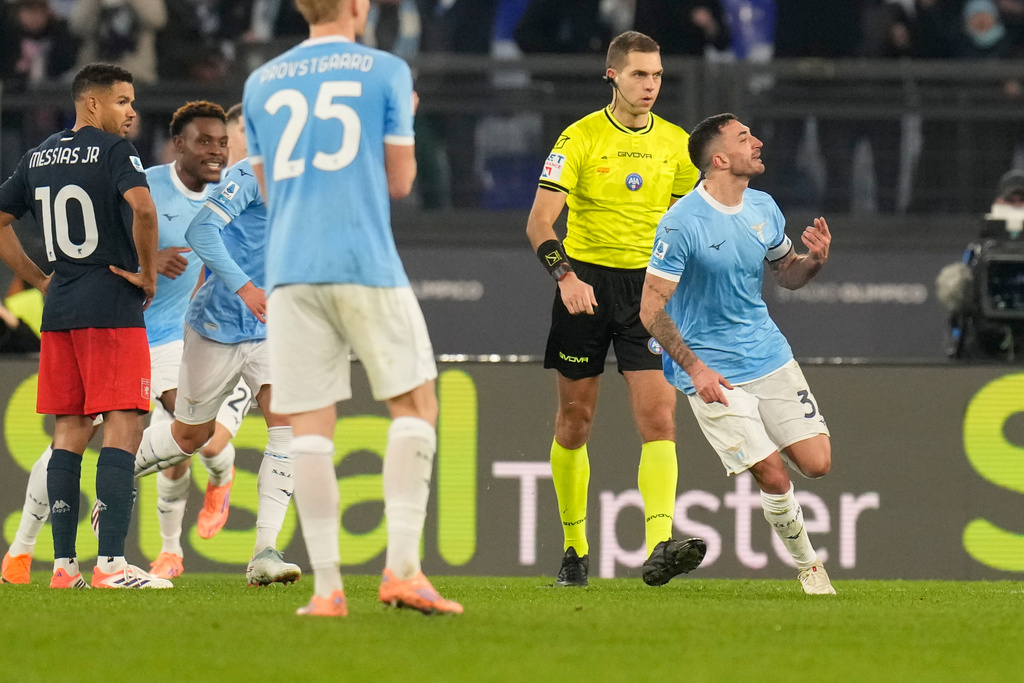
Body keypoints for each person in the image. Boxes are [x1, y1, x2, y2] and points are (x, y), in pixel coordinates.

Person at [242, 0, 461, 617]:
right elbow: (400, 180)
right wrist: (404, 123)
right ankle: (402, 572)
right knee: (415, 404)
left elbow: (265, 189)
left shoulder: (261, 82)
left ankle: (326, 589)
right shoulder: (386, 70)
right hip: (361, 260)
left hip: (288, 270)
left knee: (308, 427)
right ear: (360, 7)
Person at [0, 100, 248, 584]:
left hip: (172, 337)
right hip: (116, 323)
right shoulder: (142, 176)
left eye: (226, 142)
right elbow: (115, 227)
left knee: (197, 431)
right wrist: (152, 261)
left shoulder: (236, 197)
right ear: (179, 145)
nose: (219, 152)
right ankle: (22, 551)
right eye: (209, 141)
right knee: (77, 440)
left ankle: (196, 492)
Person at [525, 30, 706, 588]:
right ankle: (575, 550)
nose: (650, 85)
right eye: (638, 75)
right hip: (584, 287)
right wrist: (566, 278)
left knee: (659, 418)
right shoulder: (578, 138)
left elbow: (684, 223)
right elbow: (538, 223)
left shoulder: (678, 144)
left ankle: (658, 545)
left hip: (645, 295)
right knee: (575, 421)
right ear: (613, 75)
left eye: (656, 76)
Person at [639, 112, 836, 595]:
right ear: (720, 158)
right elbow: (649, 309)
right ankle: (811, 568)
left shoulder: (764, 207)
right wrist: (695, 368)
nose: (759, 142)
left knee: (816, 463)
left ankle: (770, 457)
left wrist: (812, 263)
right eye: (745, 137)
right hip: (711, 371)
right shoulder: (681, 223)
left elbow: (784, 272)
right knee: (771, 472)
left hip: (767, 355)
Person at [0, 63, 170, 589]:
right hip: (110, 305)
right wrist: (146, 273)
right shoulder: (117, 152)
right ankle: (113, 566)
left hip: (62, 310)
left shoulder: (38, 155)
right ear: (91, 105)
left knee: (70, 431)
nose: (132, 111)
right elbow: (142, 209)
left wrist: (37, 278)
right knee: (125, 424)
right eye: (122, 100)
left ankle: (63, 567)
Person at [134, 103, 302, 587]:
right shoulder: (251, 174)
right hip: (218, 323)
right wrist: (246, 286)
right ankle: (116, 473)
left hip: (274, 328)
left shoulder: (317, 183)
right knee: (191, 437)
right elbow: (200, 230)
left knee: (287, 427)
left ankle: (265, 551)